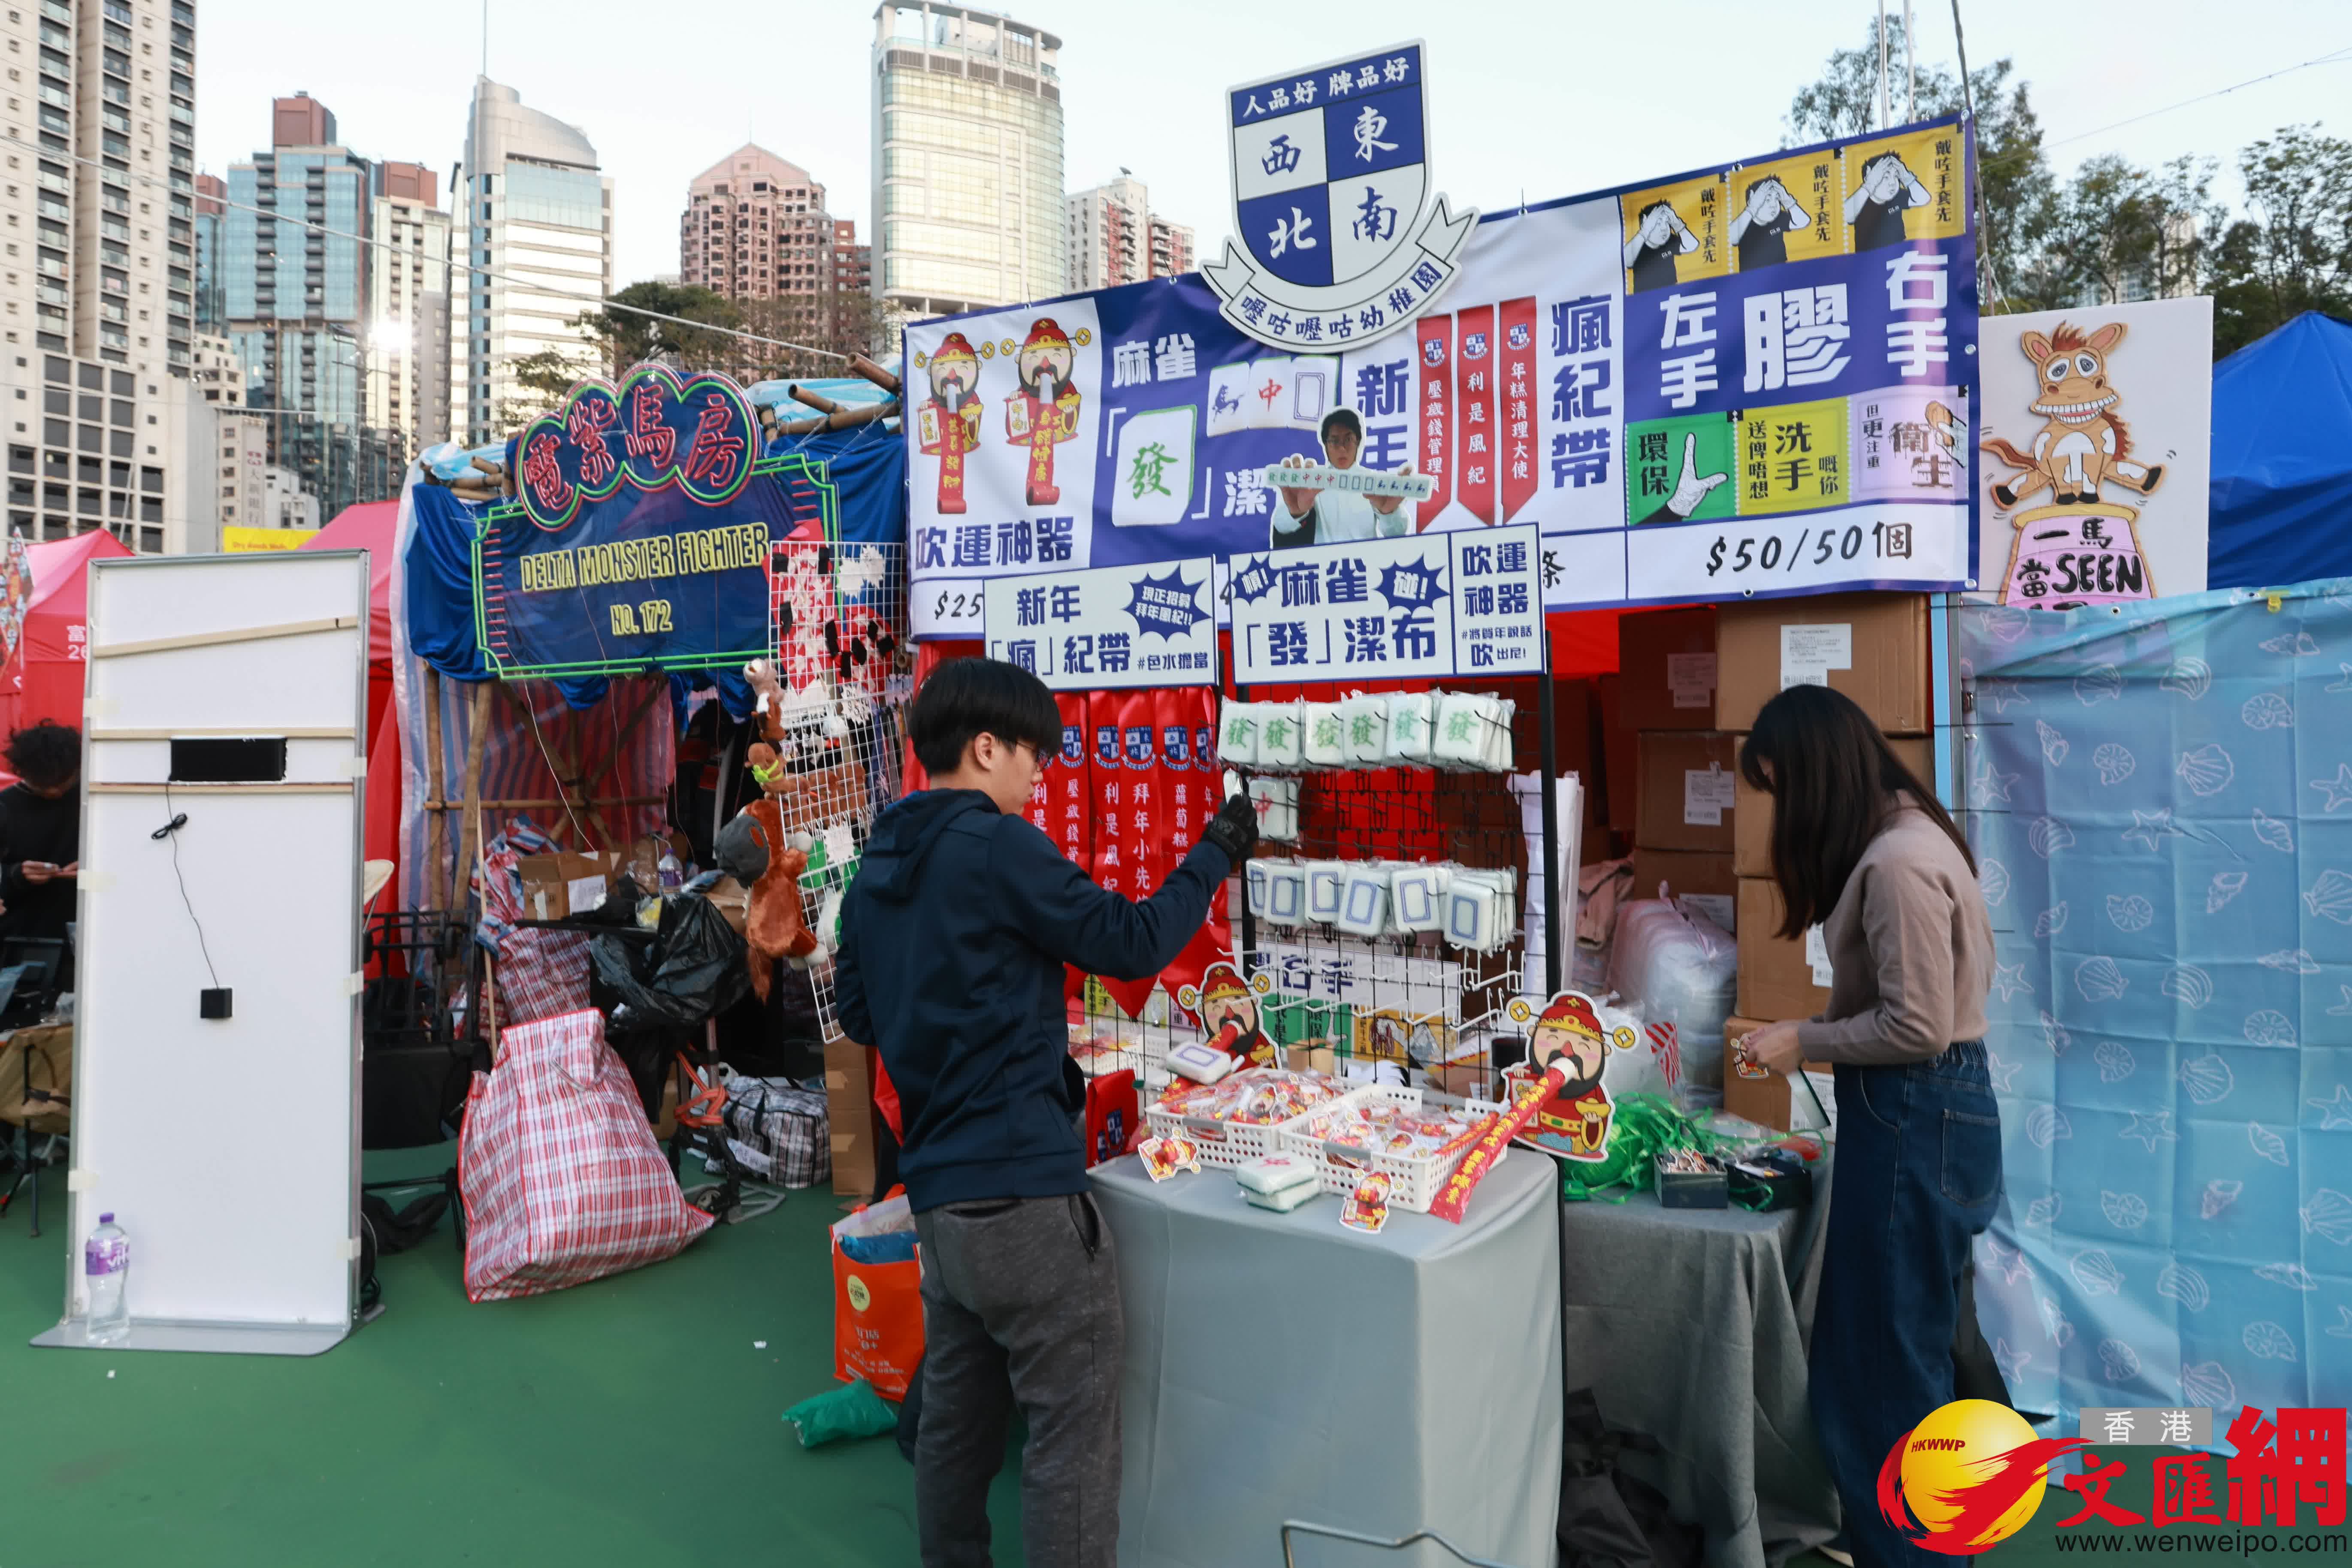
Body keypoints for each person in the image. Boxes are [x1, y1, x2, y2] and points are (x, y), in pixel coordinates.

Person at [832, 659, 1258, 1568]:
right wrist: (1214, 852)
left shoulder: (878, 863)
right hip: (1023, 1192)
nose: (1042, 773)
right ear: (986, 747)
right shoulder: (996, 846)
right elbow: (1130, 942)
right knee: (1071, 1428)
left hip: (939, 1201)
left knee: (956, 1421)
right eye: (1035, 752)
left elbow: (861, 1017)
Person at [1736, 685, 1997, 1568]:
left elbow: (1916, 1027)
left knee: (1881, 1379)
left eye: (1778, 787)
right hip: (1931, 1115)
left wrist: (1803, 1040)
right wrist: (1814, 1032)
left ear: (1813, 776)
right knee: (1908, 1354)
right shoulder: (1914, 837)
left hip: (1913, 1116)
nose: (1779, 811)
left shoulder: (1894, 863)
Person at [0, 721, 79, 978]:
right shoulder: (5, 807)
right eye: (43, 784)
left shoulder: (95, 800)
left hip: (89, 932)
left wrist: (96, 864)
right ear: (23, 773)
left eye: (63, 781)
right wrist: (17, 874)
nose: (54, 790)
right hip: (23, 941)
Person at [1270, 408, 1412, 549]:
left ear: (1358, 442)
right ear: (1326, 445)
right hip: (1325, 562)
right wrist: (1295, 513)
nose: (1342, 449)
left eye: (1348, 440)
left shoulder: (1372, 481)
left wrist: (1389, 513)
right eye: (1335, 441)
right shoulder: (1314, 481)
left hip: (1366, 561)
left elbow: (1397, 532)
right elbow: (1282, 525)